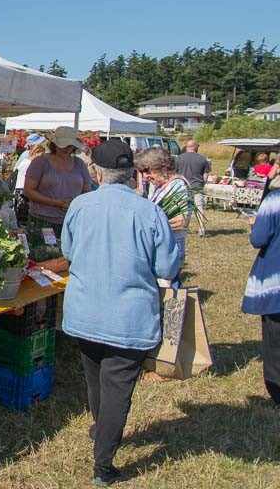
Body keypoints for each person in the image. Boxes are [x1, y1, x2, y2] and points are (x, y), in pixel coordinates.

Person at [61, 139, 181, 486]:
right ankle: (103, 464)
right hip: (129, 317)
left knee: (96, 380)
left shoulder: (80, 206)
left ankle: (102, 432)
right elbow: (167, 265)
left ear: (96, 171)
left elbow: (69, 250)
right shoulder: (149, 211)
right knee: (116, 389)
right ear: (132, 174)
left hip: (85, 311)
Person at [243, 189, 280, 408]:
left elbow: (258, 238)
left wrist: (254, 224)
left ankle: (277, 392)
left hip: (276, 283)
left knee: (275, 342)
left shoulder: (274, 200)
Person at [22, 126, 91, 235]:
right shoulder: (40, 162)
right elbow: (28, 191)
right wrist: (54, 203)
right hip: (42, 220)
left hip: (72, 219)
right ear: (55, 144)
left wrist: (75, 204)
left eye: (70, 145)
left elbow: (87, 191)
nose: (67, 148)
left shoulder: (79, 164)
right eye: (64, 145)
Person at [135, 147, 191, 264]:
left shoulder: (178, 185)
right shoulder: (160, 185)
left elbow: (181, 221)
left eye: (148, 171)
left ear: (164, 168)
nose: (145, 176)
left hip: (170, 249)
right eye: (142, 172)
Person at [175, 140, 211, 236]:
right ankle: (201, 229)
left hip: (182, 186)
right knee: (199, 207)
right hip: (197, 186)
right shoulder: (203, 160)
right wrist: (202, 184)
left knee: (182, 208)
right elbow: (205, 177)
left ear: (187, 147)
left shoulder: (178, 159)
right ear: (195, 147)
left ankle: (183, 227)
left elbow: (175, 174)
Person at [12, 137, 47, 225]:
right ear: (36, 153)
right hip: (23, 192)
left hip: (21, 191)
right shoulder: (28, 163)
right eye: (41, 155)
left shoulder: (26, 161)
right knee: (22, 219)